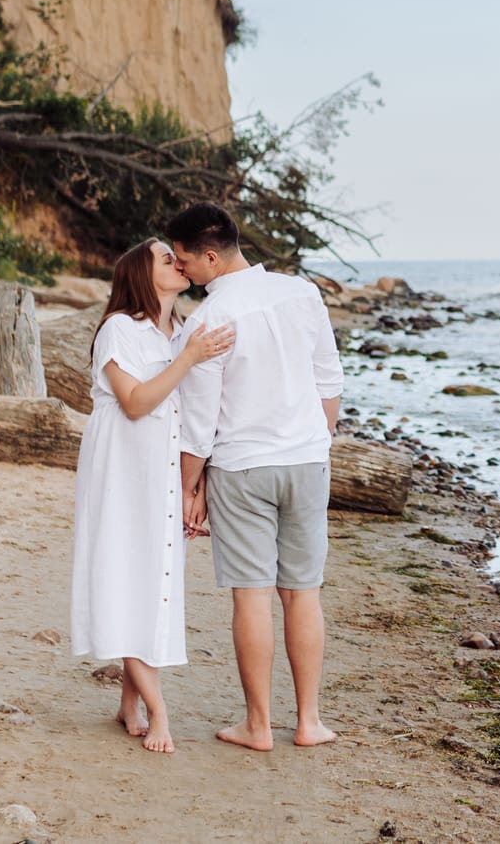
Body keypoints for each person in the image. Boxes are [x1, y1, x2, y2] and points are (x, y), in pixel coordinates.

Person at [166, 202, 345, 751]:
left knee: (252, 595)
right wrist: (315, 442)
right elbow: (329, 381)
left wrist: (188, 488)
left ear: (212, 257)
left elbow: (198, 422)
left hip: (243, 467)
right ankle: (309, 722)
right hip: (307, 461)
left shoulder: (206, 320)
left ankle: (259, 725)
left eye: (185, 261)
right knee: (303, 593)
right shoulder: (302, 293)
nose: (182, 272)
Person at [70, 238, 234, 753]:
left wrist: (196, 486)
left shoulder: (185, 331)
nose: (178, 262)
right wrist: (188, 358)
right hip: (122, 468)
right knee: (126, 579)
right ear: (142, 273)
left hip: (165, 473)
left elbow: (199, 415)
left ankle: (128, 703)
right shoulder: (119, 329)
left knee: (155, 581)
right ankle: (159, 711)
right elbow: (137, 402)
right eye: (167, 258)